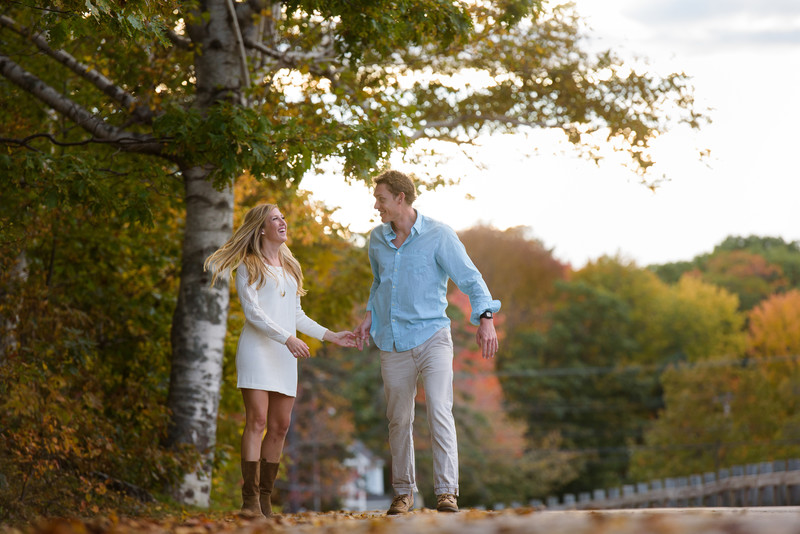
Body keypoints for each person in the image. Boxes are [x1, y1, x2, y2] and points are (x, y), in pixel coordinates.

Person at [354, 170, 500, 515]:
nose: (377, 206)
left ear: (400, 199)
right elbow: (379, 284)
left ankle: (447, 492)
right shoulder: (377, 240)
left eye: (382, 199)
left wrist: (486, 319)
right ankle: (403, 493)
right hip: (393, 342)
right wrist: (368, 316)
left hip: (433, 336)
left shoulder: (439, 235)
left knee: (438, 408)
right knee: (398, 418)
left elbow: (470, 277)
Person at [205, 203, 356, 518]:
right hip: (259, 350)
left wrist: (331, 335)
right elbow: (253, 314)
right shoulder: (249, 264)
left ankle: (265, 499)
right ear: (262, 228)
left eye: (283, 217)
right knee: (257, 421)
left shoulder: (290, 266)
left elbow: (296, 315)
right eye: (276, 218)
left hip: (286, 352)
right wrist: (286, 338)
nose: (283, 222)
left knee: (280, 426)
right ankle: (249, 501)